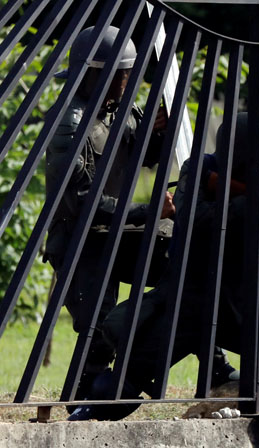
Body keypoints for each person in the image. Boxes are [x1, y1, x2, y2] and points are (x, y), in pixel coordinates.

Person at [72, 113, 259, 420]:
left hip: (241, 308)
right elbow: (194, 218)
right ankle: (81, 426)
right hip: (186, 303)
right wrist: (252, 204)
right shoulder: (201, 170)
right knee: (118, 387)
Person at [45, 26, 236, 410]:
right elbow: (82, 203)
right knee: (95, 327)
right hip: (81, 240)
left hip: (118, 228)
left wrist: (160, 133)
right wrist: (150, 212)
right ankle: (86, 398)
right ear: (96, 73)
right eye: (121, 73)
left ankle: (214, 369)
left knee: (182, 260)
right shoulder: (70, 123)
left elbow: (143, 155)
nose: (127, 80)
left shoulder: (117, 109)